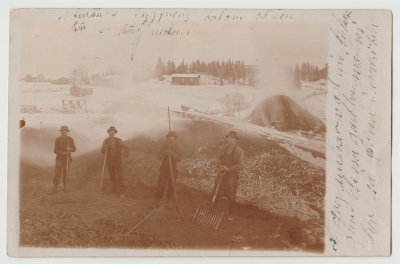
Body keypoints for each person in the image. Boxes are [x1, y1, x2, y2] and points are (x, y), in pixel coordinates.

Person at [213, 130, 244, 221]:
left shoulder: (239, 151)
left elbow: (241, 165)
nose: (230, 141)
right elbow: (218, 158)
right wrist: (220, 165)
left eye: (232, 139)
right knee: (216, 190)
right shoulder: (224, 148)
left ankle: (231, 214)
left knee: (230, 194)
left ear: (235, 141)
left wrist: (229, 168)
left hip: (232, 175)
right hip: (222, 173)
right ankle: (213, 208)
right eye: (229, 138)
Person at [154, 130, 181, 209]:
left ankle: (170, 201)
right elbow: (159, 157)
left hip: (173, 170)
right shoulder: (164, 146)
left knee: (171, 187)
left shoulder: (176, 148)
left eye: (173, 139)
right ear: (167, 139)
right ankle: (158, 200)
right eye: (170, 139)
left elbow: (179, 159)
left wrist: (172, 153)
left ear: (175, 139)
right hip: (164, 170)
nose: (171, 140)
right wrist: (165, 152)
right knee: (161, 186)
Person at [101, 126, 129, 197]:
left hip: (118, 161)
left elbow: (126, 147)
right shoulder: (105, 141)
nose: (111, 133)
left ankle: (122, 192)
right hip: (110, 161)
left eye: (113, 132)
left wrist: (126, 154)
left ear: (115, 133)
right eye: (110, 132)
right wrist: (104, 147)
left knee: (120, 176)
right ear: (108, 133)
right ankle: (115, 191)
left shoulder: (119, 140)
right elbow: (102, 151)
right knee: (112, 176)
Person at [51, 126, 76, 194]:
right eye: (62, 131)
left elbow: (74, 149)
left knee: (66, 173)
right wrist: (62, 152)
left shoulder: (70, 139)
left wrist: (70, 149)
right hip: (59, 158)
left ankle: (65, 186)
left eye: (65, 131)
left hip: (67, 159)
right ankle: (55, 187)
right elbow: (55, 150)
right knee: (57, 173)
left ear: (67, 132)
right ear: (60, 131)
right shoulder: (57, 139)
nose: (64, 132)